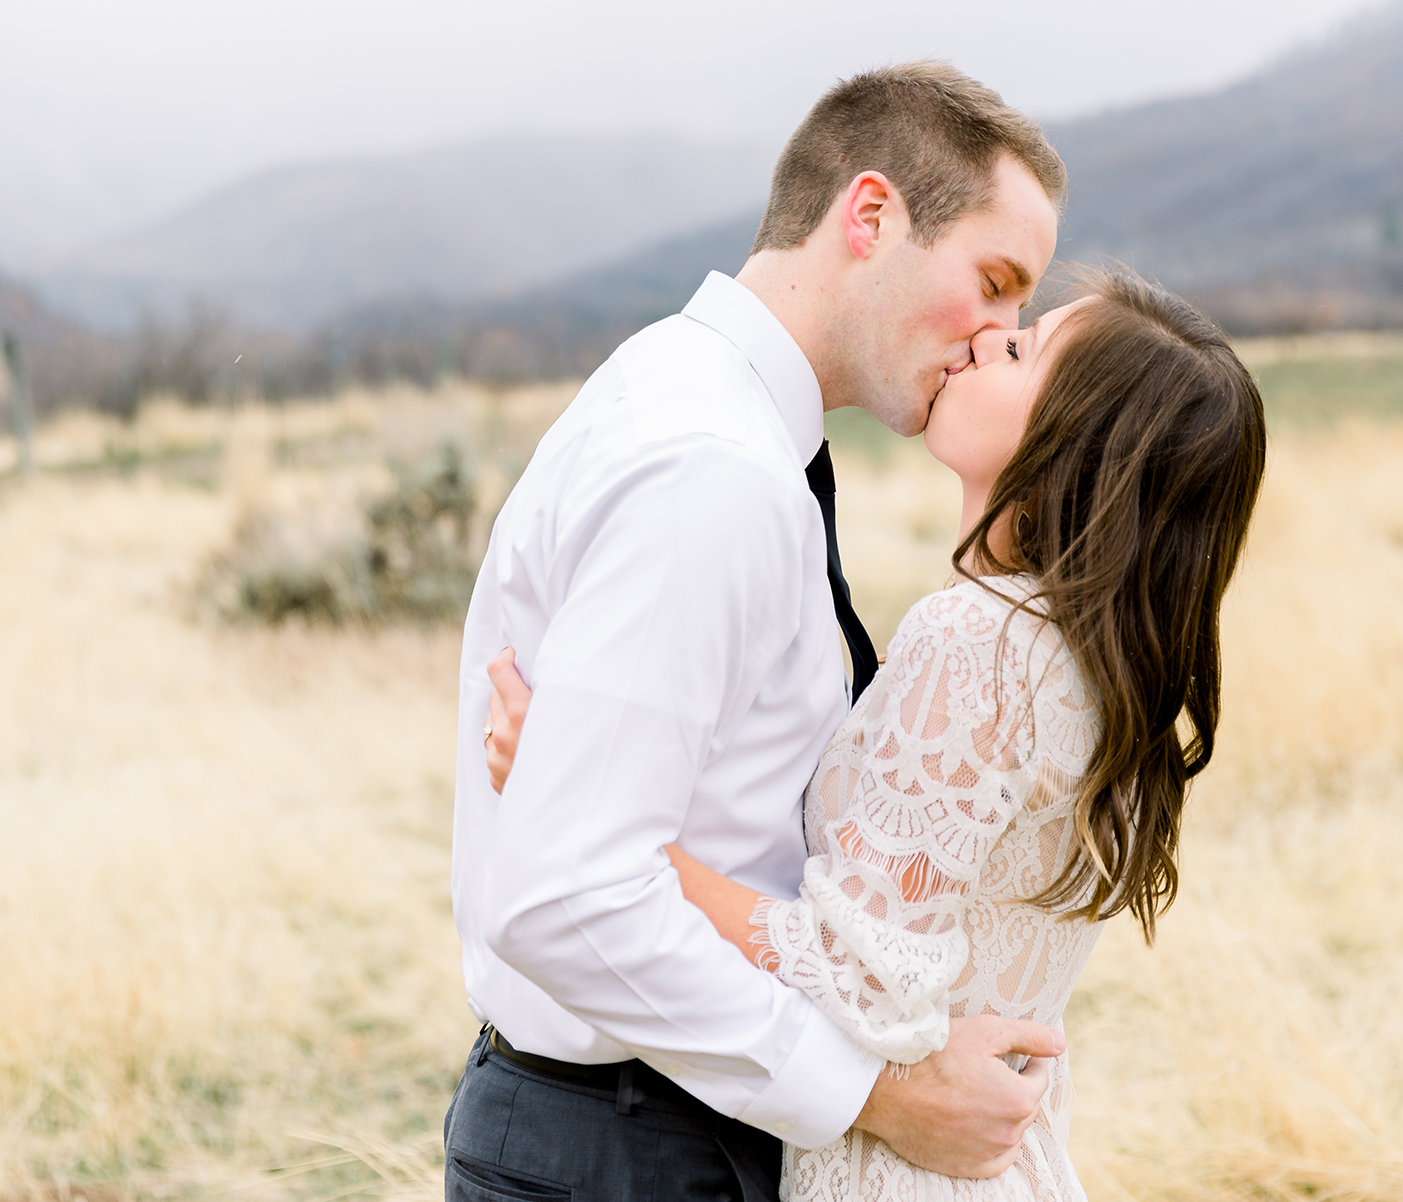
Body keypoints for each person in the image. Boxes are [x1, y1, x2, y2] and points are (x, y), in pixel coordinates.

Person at [483, 270, 1269, 1199]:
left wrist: (580, 794)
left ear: (1076, 447)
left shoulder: (980, 641)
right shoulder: (1088, 661)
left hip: (904, 1168)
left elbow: (856, 971)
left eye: (1021, 349)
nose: (986, 337)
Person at [448, 61, 1071, 1202]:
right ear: (871, 216)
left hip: (658, 1128)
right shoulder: (711, 468)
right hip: (628, 1146)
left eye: (1022, 310)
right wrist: (878, 1095)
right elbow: (567, 892)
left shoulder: (719, 419)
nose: (999, 335)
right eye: (994, 281)